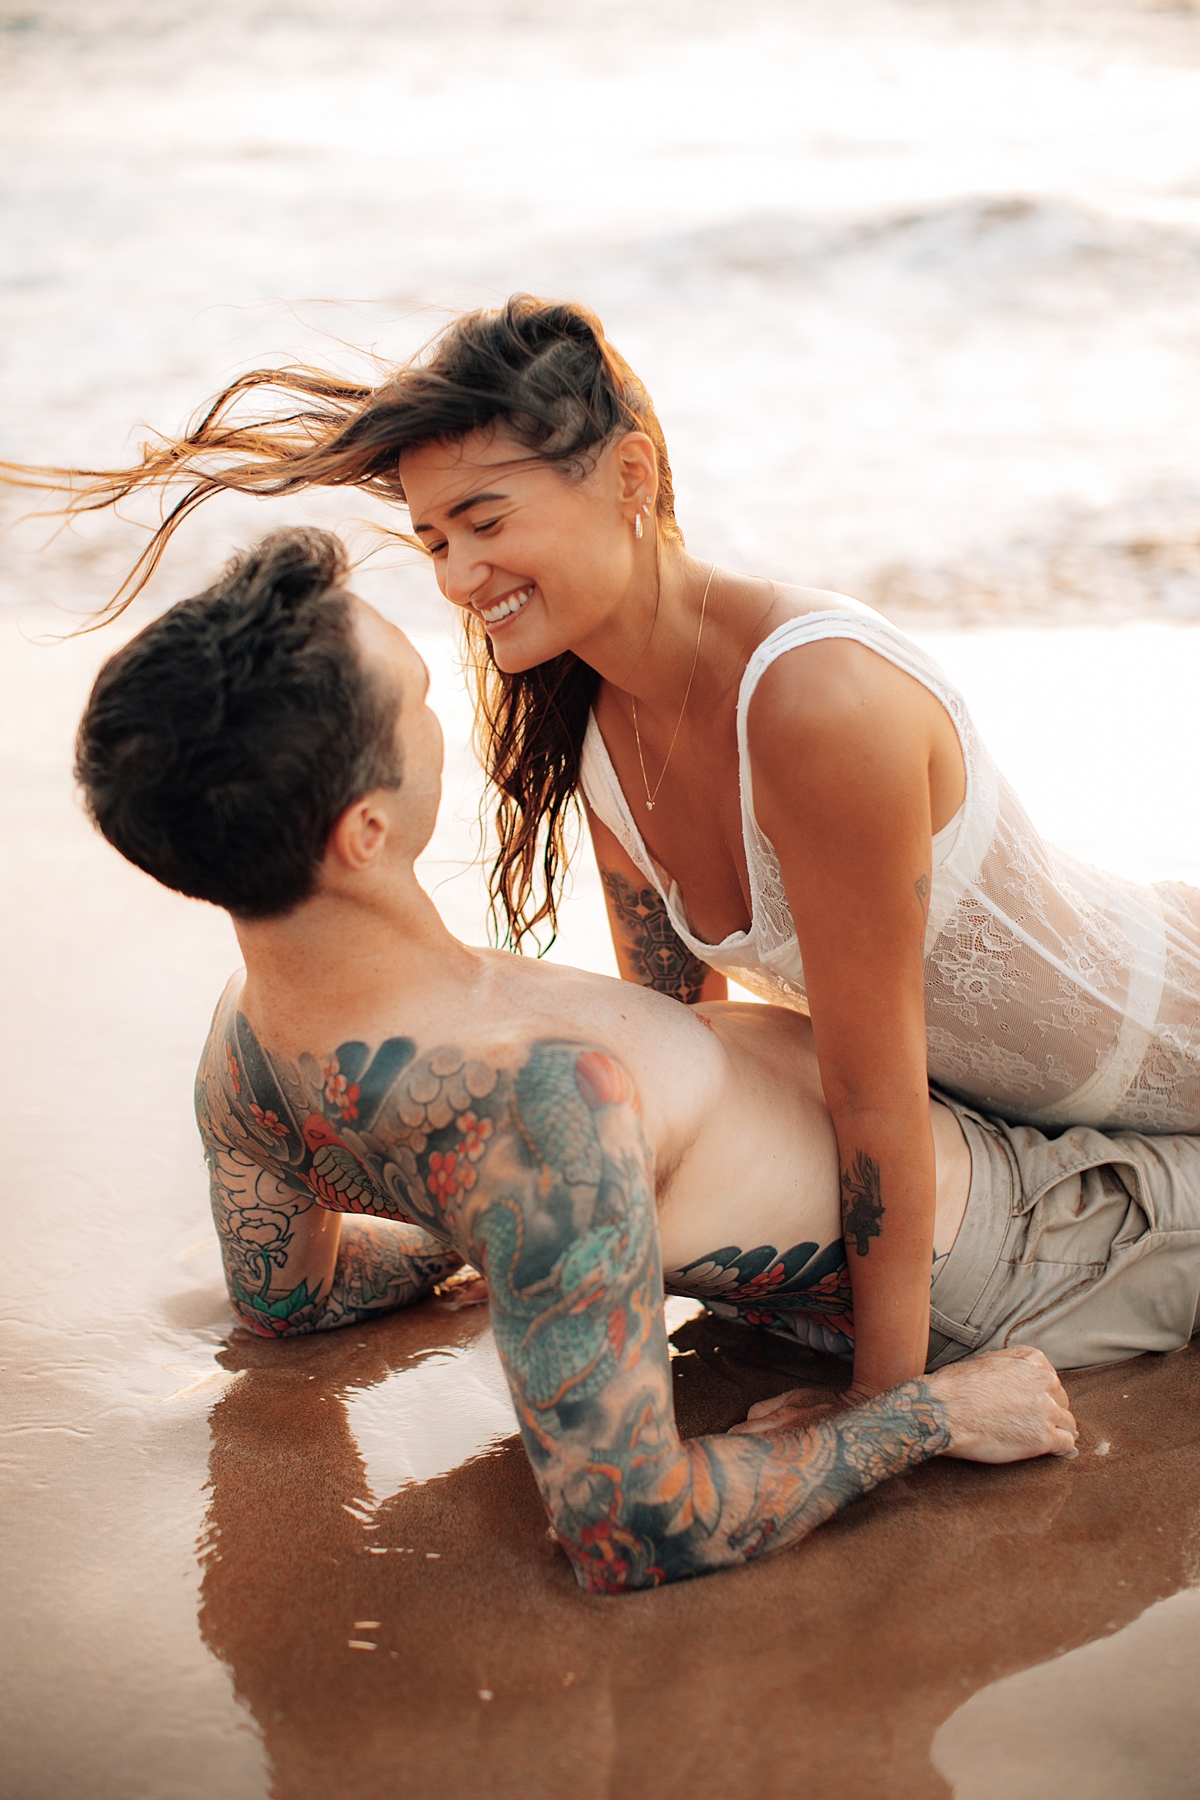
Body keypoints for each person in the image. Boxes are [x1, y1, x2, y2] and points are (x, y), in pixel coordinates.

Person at [12, 298, 1200, 1419]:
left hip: (1163, 1049)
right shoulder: (592, 716)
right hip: (1007, 1119)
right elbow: (682, 1024)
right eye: (431, 539)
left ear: (629, 477)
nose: (458, 577)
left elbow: (870, 1093)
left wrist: (889, 1399)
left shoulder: (815, 703)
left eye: (485, 521)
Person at [74, 528, 1200, 1591]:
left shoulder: (249, 1043)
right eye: (414, 696)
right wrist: (931, 1415)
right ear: (363, 833)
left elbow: (287, 1296)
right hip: (1038, 1246)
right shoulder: (537, 1108)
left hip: (927, 1148)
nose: (438, 699)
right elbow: (630, 1529)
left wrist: (493, 1245)